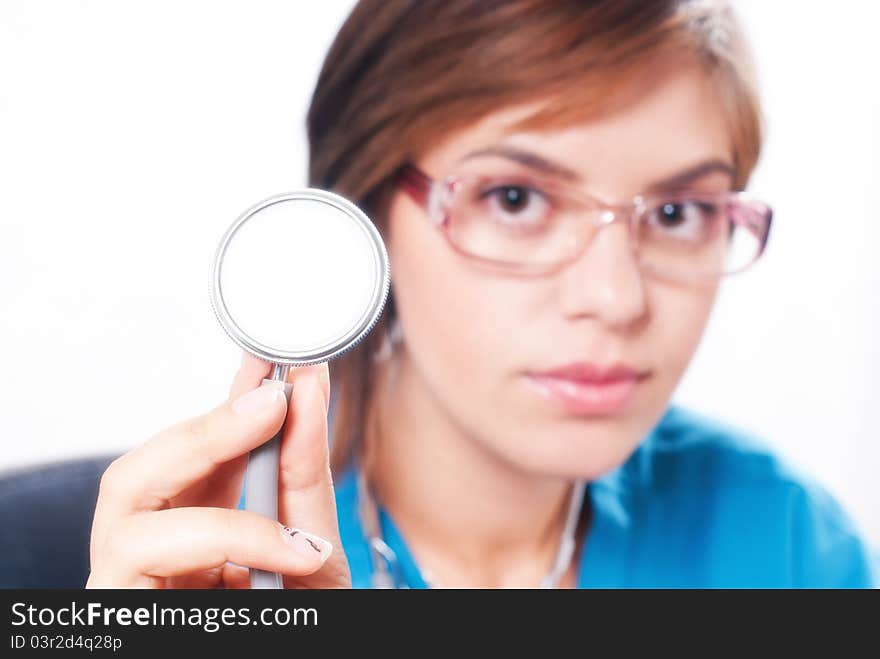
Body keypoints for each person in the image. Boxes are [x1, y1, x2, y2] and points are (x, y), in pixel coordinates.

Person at [86, 0, 878, 588]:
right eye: (515, 199)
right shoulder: (215, 574)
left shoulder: (789, 544)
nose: (615, 298)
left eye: (678, 213)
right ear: (365, 218)